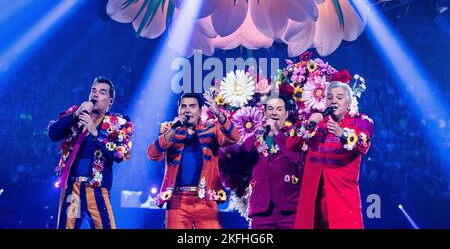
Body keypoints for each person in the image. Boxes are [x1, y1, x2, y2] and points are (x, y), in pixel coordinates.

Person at [48, 77, 133, 229]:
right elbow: (53, 134)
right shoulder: (77, 116)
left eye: (101, 92)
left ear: (110, 101)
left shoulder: (119, 123)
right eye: (93, 91)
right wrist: (75, 115)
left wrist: (96, 133)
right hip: (72, 189)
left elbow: (120, 155)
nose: (95, 95)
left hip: (96, 189)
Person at [287, 81, 374, 229]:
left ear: (349, 102)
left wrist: (342, 134)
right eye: (329, 97)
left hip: (342, 202)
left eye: (339, 97)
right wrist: (308, 125)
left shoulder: (361, 121)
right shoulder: (317, 121)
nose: (333, 100)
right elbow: (291, 144)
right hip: (313, 203)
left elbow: (363, 145)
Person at [147, 92, 240, 229]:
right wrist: (173, 129)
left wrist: (219, 115)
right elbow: (152, 154)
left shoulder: (212, 129)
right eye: (183, 106)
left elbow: (234, 137)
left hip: (206, 199)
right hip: (177, 200)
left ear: (200, 110)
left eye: (192, 106)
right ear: (179, 110)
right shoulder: (170, 130)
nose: (187, 110)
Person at [221, 96, 305, 229]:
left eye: (279, 109)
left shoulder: (295, 138)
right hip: (261, 210)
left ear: (286, 113)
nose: (274, 112)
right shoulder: (252, 140)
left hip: (290, 209)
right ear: (265, 113)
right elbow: (239, 167)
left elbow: (297, 159)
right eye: (270, 109)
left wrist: (277, 133)